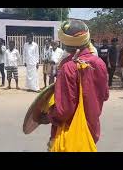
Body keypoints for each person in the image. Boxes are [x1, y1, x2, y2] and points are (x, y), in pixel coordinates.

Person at [41, 20, 109, 151]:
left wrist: (48, 117)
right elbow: (105, 95)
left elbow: (63, 111)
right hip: (91, 128)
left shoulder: (68, 67)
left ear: (65, 43)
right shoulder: (99, 63)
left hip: (70, 131)